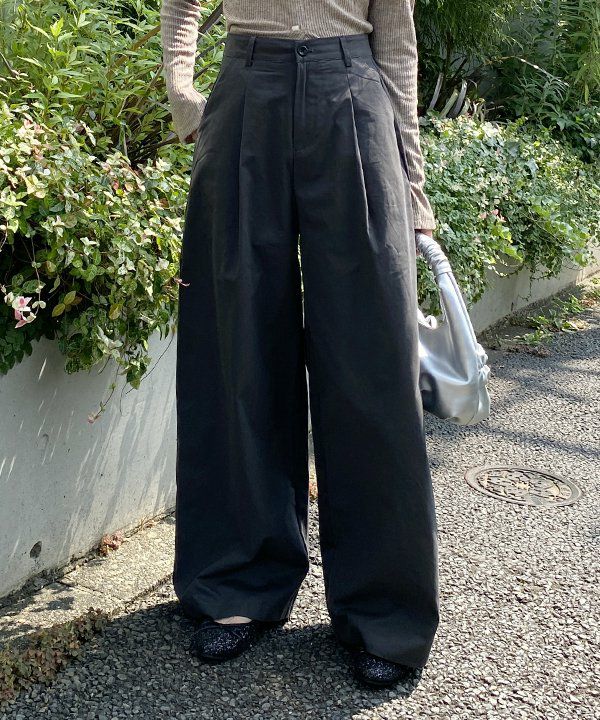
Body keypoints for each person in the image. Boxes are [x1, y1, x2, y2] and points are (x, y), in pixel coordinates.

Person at [160, 0, 439, 689]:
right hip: (245, 92)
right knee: (237, 348)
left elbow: (397, 46)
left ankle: (383, 609)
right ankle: (238, 581)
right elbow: (182, 3)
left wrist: (413, 185)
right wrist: (184, 96)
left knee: (372, 361)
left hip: (354, 97)